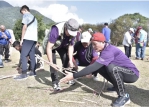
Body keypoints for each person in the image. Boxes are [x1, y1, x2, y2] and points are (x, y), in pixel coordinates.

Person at [60, 32, 139, 107]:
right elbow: (96, 66)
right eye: (92, 45)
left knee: (112, 68)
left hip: (132, 74)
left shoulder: (109, 51)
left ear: (102, 42)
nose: (93, 47)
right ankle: (117, 86)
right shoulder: (104, 49)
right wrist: (89, 73)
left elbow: (94, 66)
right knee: (102, 67)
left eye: (95, 44)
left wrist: (73, 76)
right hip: (122, 71)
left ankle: (124, 96)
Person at [46, 18, 79, 91]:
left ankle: (66, 77)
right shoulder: (56, 29)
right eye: (69, 32)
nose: (70, 35)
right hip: (52, 46)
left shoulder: (73, 33)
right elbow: (49, 47)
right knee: (53, 64)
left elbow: (70, 46)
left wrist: (70, 60)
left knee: (66, 58)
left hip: (62, 45)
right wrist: (51, 63)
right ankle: (55, 82)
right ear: (65, 27)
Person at [14, 5, 38, 80]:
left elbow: (24, 27)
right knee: (32, 55)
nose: (22, 14)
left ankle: (24, 74)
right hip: (33, 39)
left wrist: (21, 39)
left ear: (24, 10)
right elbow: (36, 30)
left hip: (28, 38)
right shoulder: (35, 18)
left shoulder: (26, 15)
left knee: (23, 55)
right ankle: (33, 72)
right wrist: (36, 40)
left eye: (22, 12)